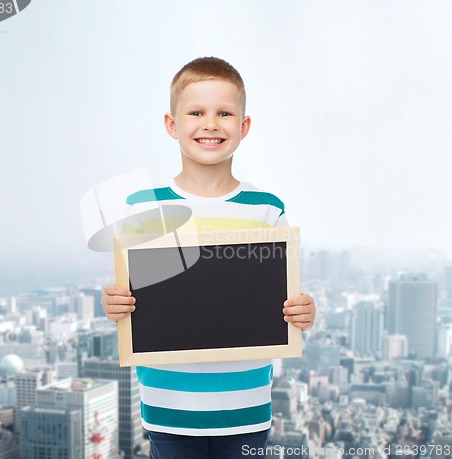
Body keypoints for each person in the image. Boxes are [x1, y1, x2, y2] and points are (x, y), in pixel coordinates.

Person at [102, 57, 316, 459]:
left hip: (247, 406)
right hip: (168, 407)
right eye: (196, 112)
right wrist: (113, 303)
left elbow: (283, 299)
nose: (211, 124)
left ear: (243, 126)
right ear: (172, 124)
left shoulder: (267, 208)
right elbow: (131, 296)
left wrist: (303, 311)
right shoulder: (143, 206)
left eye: (224, 113)